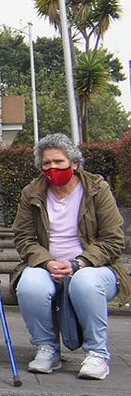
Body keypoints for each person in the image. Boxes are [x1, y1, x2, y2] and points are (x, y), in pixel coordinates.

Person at [12, 133, 126, 380]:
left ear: (74, 163)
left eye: (58, 162)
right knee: (30, 285)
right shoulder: (31, 192)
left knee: (85, 282)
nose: (52, 168)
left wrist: (79, 263)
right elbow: (23, 238)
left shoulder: (97, 189)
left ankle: (97, 354)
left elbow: (113, 240)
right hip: (46, 266)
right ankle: (47, 349)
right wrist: (47, 262)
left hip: (95, 268)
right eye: (46, 163)